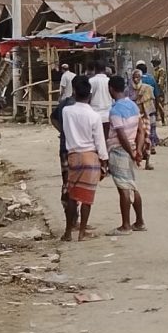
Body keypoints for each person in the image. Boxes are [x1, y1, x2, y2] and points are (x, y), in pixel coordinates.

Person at [56, 75, 106, 243]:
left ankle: (68, 231)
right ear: (90, 95)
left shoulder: (66, 111)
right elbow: (99, 141)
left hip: (73, 155)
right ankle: (82, 232)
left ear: (75, 93)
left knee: (72, 195)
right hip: (90, 156)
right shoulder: (94, 115)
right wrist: (104, 160)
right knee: (87, 197)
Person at [104, 89, 147, 233]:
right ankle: (139, 221)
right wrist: (138, 150)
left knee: (123, 188)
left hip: (119, 150)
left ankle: (126, 225)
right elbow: (141, 130)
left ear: (111, 89)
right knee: (132, 185)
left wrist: (132, 153)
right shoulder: (133, 105)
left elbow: (121, 135)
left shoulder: (115, 110)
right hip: (132, 146)